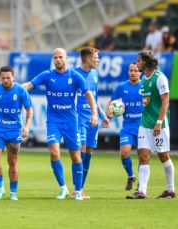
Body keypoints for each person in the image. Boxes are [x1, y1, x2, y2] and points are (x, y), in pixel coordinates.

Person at [23, 48, 98, 201]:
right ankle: (63, 188)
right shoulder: (47, 75)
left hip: (71, 121)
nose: (58, 60)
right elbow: (30, 85)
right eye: (55, 57)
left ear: (66, 59)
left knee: (76, 156)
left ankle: (78, 191)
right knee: (54, 152)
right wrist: (14, 87)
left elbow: (88, 93)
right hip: (53, 121)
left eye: (60, 57)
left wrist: (94, 113)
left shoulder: (74, 76)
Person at [127, 51, 175, 199]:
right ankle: (142, 191)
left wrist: (159, 123)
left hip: (159, 125)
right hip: (144, 124)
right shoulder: (143, 79)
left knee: (163, 156)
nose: (137, 63)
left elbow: (165, 101)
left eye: (139, 61)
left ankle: (170, 190)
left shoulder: (159, 78)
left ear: (146, 62)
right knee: (143, 156)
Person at [0, 66, 33, 201]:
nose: (5, 80)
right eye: (3, 78)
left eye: (8, 78)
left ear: (13, 78)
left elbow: (30, 111)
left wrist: (27, 127)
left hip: (14, 130)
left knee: (12, 161)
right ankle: (0, 189)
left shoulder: (21, 91)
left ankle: (13, 192)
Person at [75, 47, 110, 199]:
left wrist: (102, 115)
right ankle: (76, 189)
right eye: (96, 58)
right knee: (81, 152)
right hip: (79, 118)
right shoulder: (75, 74)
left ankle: (81, 189)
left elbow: (94, 98)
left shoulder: (95, 74)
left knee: (88, 153)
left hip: (93, 119)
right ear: (88, 59)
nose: (98, 60)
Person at [105, 63, 142, 191]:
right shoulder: (121, 87)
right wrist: (108, 113)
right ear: (128, 72)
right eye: (131, 70)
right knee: (124, 152)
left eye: (136, 70)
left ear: (140, 72)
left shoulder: (144, 86)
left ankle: (141, 184)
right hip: (128, 126)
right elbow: (111, 102)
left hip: (143, 126)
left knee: (142, 155)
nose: (133, 73)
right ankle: (131, 176)